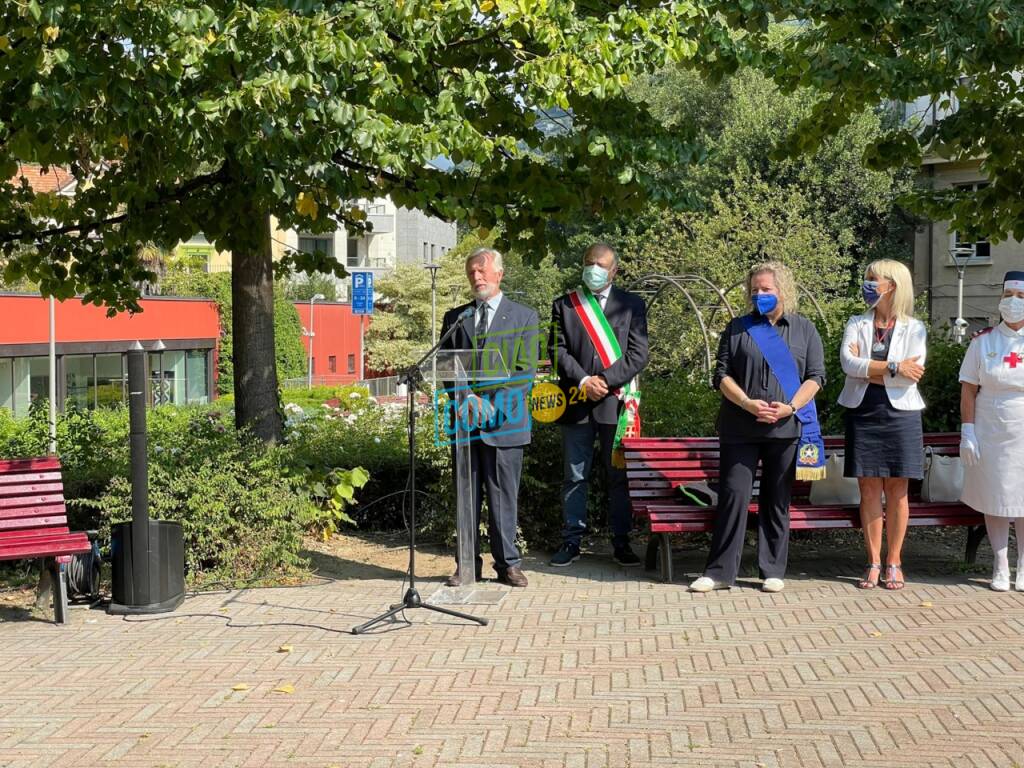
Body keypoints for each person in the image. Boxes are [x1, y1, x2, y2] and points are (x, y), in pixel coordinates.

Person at [690, 261, 826, 594]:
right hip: (740, 426)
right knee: (734, 498)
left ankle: (772, 570)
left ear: (783, 290)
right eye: (755, 290)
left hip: (786, 428)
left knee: (776, 499)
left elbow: (816, 377)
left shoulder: (805, 330)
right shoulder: (737, 327)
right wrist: (748, 404)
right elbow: (721, 376)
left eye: (766, 289)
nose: (760, 295)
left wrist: (791, 407)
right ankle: (720, 572)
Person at [439, 247, 540, 588]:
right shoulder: (457, 318)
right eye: (471, 273)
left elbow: (524, 373)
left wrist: (492, 406)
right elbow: (446, 366)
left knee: (503, 497)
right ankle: (466, 564)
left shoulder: (524, 317)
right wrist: (465, 397)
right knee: (466, 498)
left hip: (505, 423)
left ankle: (508, 564)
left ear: (499, 273)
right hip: (464, 425)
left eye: (481, 271)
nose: (476, 277)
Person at [549, 243, 649, 567]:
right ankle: (571, 542)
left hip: (615, 405)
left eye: (601, 264)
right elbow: (557, 351)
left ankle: (621, 542)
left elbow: (638, 354)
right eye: (589, 262)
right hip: (577, 402)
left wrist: (604, 380)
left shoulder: (632, 305)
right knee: (574, 476)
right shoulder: (565, 306)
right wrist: (583, 381)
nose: (594, 268)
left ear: (614, 270)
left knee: (618, 477)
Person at [838, 259, 927, 590]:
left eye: (873, 279)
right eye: (867, 278)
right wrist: (892, 365)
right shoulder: (856, 322)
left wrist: (871, 366)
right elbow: (848, 364)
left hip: (901, 413)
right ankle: (874, 561)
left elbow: (912, 375)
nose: (867, 284)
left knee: (898, 490)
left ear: (893, 285)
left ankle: (895, 561)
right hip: (863, 410)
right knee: (869, 488)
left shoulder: (914, 328)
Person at [959, 270, 1024, 591]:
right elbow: (969, 389)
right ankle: (1000, 564)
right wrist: (967, 431)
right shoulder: (983, 342)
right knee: (996, 496)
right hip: (990, 426)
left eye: (1021, 298)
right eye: (1009, 296)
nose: (1014, 304)